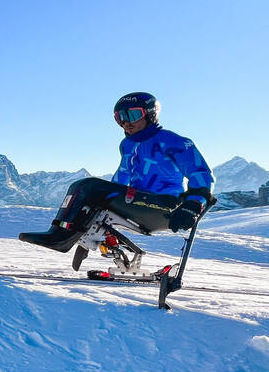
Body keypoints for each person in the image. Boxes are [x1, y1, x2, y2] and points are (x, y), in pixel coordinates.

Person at [19, 92, 215, 265]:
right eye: (119, 117)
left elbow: (202, 175)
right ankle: (65, 233)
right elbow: (121, 178)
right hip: (137, 201)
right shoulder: (127, 145)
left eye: (133, 114)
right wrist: (106, 198)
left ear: (150, 114)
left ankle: (60, 237)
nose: (125, 122)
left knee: (87, 185)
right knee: (83, 187)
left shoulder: (176, 142)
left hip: (164, 206)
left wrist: (193, 205)